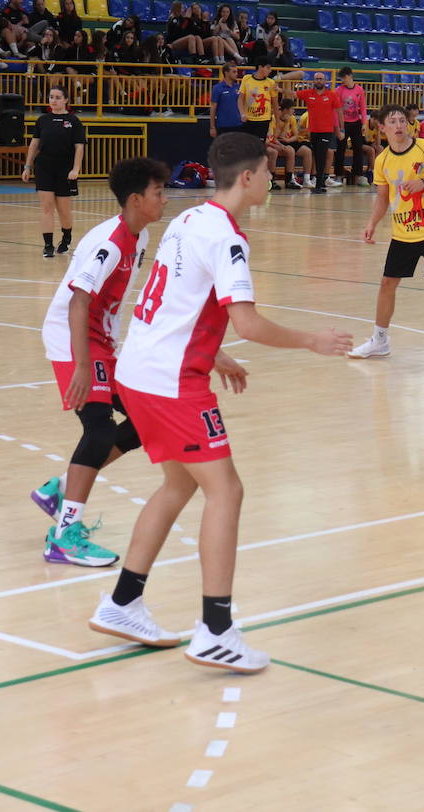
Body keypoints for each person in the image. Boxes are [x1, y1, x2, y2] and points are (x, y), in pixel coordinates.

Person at [90, 132, 353, 670]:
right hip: (170, 381)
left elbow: (177, 305)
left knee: (179, 484)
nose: (273, 178)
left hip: (139, 369)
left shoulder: (188, 219)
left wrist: (215, 354)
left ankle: (121, 603)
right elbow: (249, 323)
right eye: (268, 170)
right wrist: (312, 341)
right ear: (249, 177)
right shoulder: (229, 239)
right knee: (226, 491)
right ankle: (215, 628)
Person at [31, 157, 170, 566]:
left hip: (102, 342)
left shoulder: (139, 236)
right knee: (97, 428)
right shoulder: (109, 242)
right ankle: (64, 535)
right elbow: (79, 300)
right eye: (158, 193)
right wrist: (80, 364)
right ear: (134, 199)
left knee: (148, 421)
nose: (165, 200)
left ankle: (59, 488)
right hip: (72, 338)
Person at [347, 103, 424, 370]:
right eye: (393, 121)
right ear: (382, 127)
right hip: (402, 232)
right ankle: (380, 340)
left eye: (402, 120)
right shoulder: (382, 160)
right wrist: (371, 223)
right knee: (387, 284)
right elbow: (382, 198)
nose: (399, 125)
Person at [23, 86, 85, 258]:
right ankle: (48, 245)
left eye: (58, 97)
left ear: (65, 100)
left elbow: (79, 147)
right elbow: (34, 144)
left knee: (64, 210)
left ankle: (66, 239)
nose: (54, 100)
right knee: (46, 207)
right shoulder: (42, 120)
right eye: (51, 97)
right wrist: (27, 166)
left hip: (65, 169)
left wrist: (75, 169)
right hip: (44, 167)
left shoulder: (74, 121)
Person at [289, 68, 343, 193]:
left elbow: (339, 112)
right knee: (317, 155)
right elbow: (293, 94)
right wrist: (280, 89)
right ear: (313, 81)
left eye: (321, 79)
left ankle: (319, 184)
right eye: (316, 79)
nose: (319, 81)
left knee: (321, 155)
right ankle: (318, 182)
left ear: (325, 81)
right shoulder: (308, 93)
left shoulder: (331, 95)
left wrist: (341, 129)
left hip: (326, 131)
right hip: (313, 131)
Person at [333, 66, 367, 186]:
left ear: (350, 76)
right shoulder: (339, 90)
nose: (343, 81)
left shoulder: (359, 90)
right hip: (343, 123)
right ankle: (338, 175)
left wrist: (364, 123)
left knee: (358, 148)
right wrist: (339, 128)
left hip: (356, 122)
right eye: (342, 79)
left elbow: (363, 107)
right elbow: (336, 110)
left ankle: (358, 175)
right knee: (340, 149)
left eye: (345, 78)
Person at [237, 60, 279, 141]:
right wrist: (242, 114)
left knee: (259, 147)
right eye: (268, 68)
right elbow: (240, 99)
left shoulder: (271, 82)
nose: (270, 70)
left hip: (263, 120)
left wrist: (277, 126)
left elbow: (275, 105)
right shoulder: (246, 79)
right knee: (246, 147)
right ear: (260, 67)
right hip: (248, 119)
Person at [266, 97, 301, 190]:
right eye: (292, 109)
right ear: (286, 110)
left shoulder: (290, 118)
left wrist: (286, 122)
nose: (293, 111)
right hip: (267, 143)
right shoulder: (273, 118)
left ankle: (289, 180)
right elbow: (271, 137)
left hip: (278, 142)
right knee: (273, 152)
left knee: (290, 150)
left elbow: (283, 136)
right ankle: (271, 180)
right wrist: (280, 145)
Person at [207, 61, 243, 139]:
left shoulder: (239, 87)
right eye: (234, 72)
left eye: (236, 71)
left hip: (238, 125)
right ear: (226, 73)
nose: (236, 74)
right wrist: (212, 127)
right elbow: (213, 108)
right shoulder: (217, 88)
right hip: (223, 125)